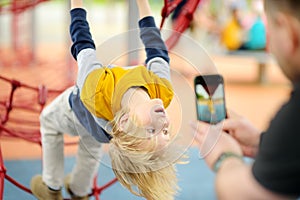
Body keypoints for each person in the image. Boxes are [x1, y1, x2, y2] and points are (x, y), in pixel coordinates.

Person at [30, 0, 180, 199]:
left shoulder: (95, 87)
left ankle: (51, 187)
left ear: (125, 122)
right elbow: (156, 48)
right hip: (102, 131)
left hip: (75, 111)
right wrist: (143, 4)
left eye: (151, 131)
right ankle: (79, 191)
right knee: (91, 145)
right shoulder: (163, 90)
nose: (162, 123)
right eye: (166, 131)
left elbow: (82, 43)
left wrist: (76, 3)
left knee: (48, 120)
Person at [191, 0, 300, 199]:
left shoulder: (295, 114)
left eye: (270, 28)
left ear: (289, 33)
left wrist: (225, 156)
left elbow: (244, 194)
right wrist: (262, 142)